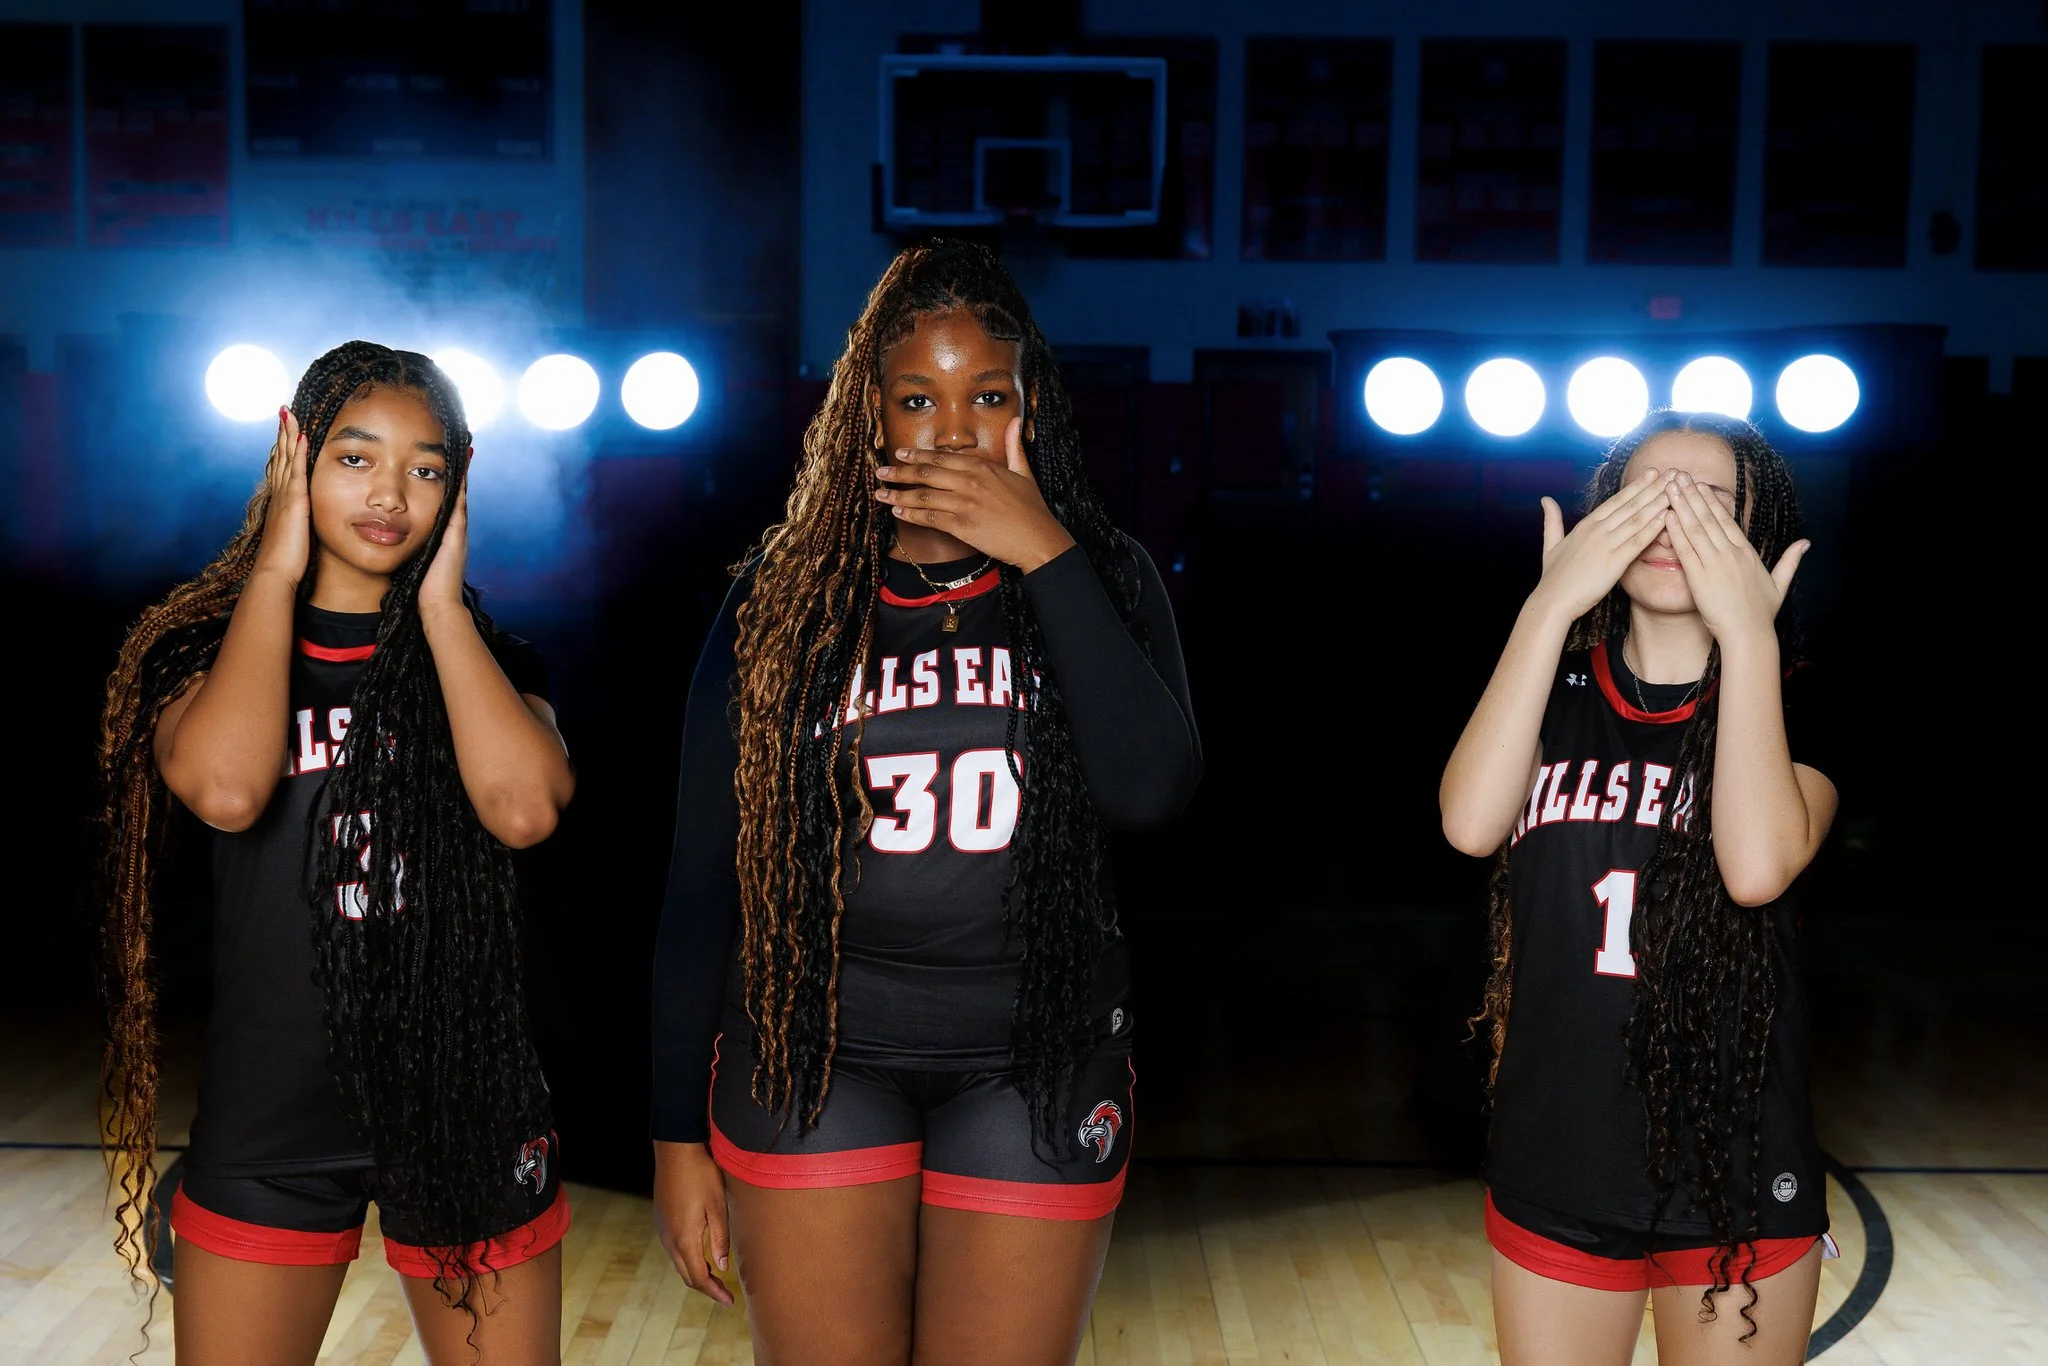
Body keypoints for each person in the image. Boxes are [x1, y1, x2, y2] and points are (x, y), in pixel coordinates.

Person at [650, 240, 1201, 1365]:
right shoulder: (784, 600)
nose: (950, 430)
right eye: (916, 398)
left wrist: (1042, 553)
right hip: (815, 1055)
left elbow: (1151, 790)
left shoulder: (1103, 572)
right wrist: (672, 1135)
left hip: (1033, 1056)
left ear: (1027, 406)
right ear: (870, 418)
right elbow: (701, 883)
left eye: (984, 395)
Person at [99, 341, 575, 1365]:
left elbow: (525, 810)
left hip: (466, 1100)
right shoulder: (200, 652)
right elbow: (227, 792)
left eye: (426, 466)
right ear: (292, 458)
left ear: (460, 480)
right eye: (355, 457)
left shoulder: (491, 656)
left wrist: (442, 606)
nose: (390, 493)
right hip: (273, 1107)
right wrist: (276, 565)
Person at [1440, 410, 1838, 1366]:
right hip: (1557, 1160)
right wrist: (1546, 609)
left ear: (1757, 539)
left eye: (1707, 502)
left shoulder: (1798, 701)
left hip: (1735, 1174)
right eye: (1646, 495)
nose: (1671, 520)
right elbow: (1469, 823)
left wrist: (1747, 635)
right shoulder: (1549, 685)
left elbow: (1754, 868)